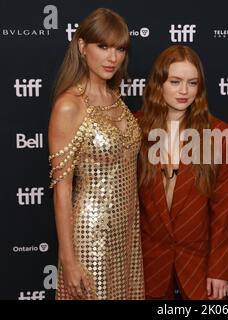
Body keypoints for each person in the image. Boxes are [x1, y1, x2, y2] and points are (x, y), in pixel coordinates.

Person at [48, 8, 144, 300]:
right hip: (91, 238)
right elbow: (62, 189)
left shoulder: (116, 99)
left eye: (119, 49)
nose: (112, 58)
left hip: (127, 234)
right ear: (81, 46)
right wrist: (69, 260)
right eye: (103, 46)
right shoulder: (70, 105)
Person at [136, 45, 228, 300]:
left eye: (192, 83)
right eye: (175, 81)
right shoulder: (134, 129)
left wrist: (220, 269)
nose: (184, 91)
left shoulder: (219, 134)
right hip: (147, 259)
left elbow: (224, 210)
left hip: (199, 260)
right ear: (159, 83)